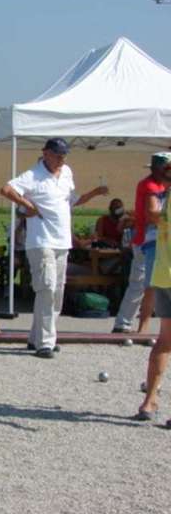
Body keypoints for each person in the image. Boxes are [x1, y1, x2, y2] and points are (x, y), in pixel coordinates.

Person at [0, 138, 108, 359]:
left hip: (62, 241)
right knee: (46, 289)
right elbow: (6, 189)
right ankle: (46, 342)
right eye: (58, 155)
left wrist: (95, 193)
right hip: (41, 242)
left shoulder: (66, 173)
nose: (61, 159)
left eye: (64, 155)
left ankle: (36, 337)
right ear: (46, 153)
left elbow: (72, 201)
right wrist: (27, 206)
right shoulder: (32, 175)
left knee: (56, 291)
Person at [113, 153, 171, 333]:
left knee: (141, 284)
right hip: (146, 241)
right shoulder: (150, 185)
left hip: (153, 239)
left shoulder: (158, 184)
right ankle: (129, 325)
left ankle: (124, 323)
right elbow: (152, 214)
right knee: (145, 285)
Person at [136, 178, 171, 422]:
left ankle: (149, 402)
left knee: (165, 341)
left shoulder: (166, 197)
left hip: (163, 273)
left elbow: (154, 216)